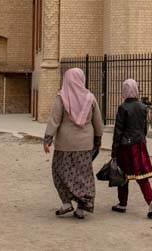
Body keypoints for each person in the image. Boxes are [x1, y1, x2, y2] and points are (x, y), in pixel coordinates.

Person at [43, 68, 103, 219]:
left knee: (60, 172)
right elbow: (98, 122)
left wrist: (48, 139)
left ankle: (66, 202)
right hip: (84, 144)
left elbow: (54, 119)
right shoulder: (90, 98)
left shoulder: (62, 97)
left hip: (65, 144)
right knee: (84, 175)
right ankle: (82, 207)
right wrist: (98, 140)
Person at [111, 79, 152, 218]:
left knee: (122, 176)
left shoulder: (123, 108)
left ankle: (122, 203)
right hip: (140, 145)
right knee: (142, 176)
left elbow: (118, 131)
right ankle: (151, 201)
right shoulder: (143, 107)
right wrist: (141, 139)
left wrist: (114, 152)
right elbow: (144, 129)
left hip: (125, 147)